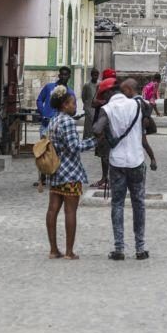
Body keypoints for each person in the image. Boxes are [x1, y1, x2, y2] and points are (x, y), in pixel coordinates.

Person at [93, 79, 158, 261]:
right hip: (137, 161)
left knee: (118, 204)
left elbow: (97, 129)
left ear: (107, 94)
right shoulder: (137, 104)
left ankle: (119, 248)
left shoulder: (108, 109)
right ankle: (140, 248)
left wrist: (105, 131)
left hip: (117, 163)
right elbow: (150, 119)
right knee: (139, 204)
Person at [45, 86, 96, 260]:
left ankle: (53, 249)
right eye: (73, 103)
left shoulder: (54, 120)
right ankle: (69, 251)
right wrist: (93, 142)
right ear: (65, 105)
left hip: (55, 171)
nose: (75, 106)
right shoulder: (67, 121)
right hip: (70, 171)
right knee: (70, 211)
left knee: (52, 210)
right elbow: (74, 147)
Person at [34, 66, 75, 190]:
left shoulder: (70, 93)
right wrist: (43, 113)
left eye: (66, 75)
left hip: (60, 126)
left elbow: (73, 109)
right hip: (46, 124)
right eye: (62, 74)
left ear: (69, 77)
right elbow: (39, 100)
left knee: (58, 151)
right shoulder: (49, 87)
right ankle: (42, 177)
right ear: (59, 75)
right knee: (43, 151)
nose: (63, 77)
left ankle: (56, 175)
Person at [90, 76, 118, 190]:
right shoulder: (101, 91)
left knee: (110, 156)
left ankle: (111, 180)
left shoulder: (112, 105)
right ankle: (105, 178)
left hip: (109, 131)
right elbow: (93, 103)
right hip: (104, 129)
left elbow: (97, 129)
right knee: (104, 156)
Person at [81, 69, 99, 137]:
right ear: (91, 75)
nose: (95, 77)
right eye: (94, 75)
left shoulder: (100, 84)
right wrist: (87, 105)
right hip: (89, 108)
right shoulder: (87, 85)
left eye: (97, 75)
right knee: (88, 126)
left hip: (97, 108)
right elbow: (83, 97)